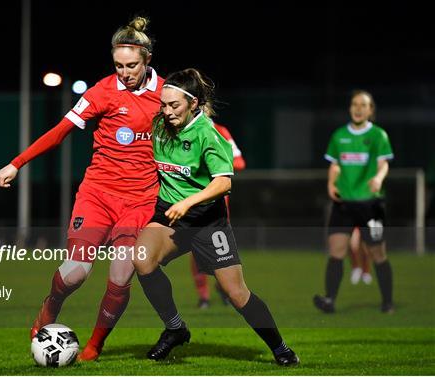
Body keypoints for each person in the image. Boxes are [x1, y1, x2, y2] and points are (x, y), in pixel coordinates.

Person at [0, 17, 164, 361]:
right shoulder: (101, 91)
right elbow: (59, 131)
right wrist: (17, 162)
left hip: (140, 201)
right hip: (97, 196)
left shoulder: (167, 94)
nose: (124, 73)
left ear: (148, 60)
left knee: (120, 274)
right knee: (74, 274)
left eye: (131, 65)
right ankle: (51, 304)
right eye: (118, 65)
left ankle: (95, 344)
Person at [132, 68, 299, 366]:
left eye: (175, 106)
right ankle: (175, 329)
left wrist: (189, 203)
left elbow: (224, 182)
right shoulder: (159, 124)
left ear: (193, 103)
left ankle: (280, 347)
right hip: (169, 216)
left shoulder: (208, 134)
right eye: (164, 105)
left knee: (235, 293)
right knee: (142, 260)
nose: (167, 112)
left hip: (207, 221)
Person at [314, 90, 394, 313]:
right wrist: (331, 184)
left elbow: (383, 164)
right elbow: (336, 165)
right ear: (350, 108)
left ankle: (387, 302)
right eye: (354, 104)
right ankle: (329, 300)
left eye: (363, 105)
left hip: (371, 203)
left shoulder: (378, 135)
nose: (358, 108)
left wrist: (378, 178)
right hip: (344, 204)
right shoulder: (339, 136)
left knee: (378, 254)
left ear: (371, 110)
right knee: (336, 250)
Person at [191, 121, 246, 308]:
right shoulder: (181, 131)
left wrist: (213, 162)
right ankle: (203, 296)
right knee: (195, 252)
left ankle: (224, 288)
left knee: (220, 252)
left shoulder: (220, 131)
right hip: (191, 202)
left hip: (216, 206)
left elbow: (239, 162)